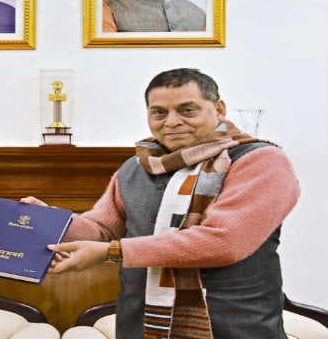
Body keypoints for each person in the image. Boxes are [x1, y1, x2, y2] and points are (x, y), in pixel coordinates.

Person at [23, 68, 299, 338]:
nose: (172, 122)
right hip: (142, 325)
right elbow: (103, 229)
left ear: (219, 109)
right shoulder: (135, 167)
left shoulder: (260, 161)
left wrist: (113, 252)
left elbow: (224, 241)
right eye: (159, 112)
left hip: (234, 326)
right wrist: (54, 222)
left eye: (187, 110)